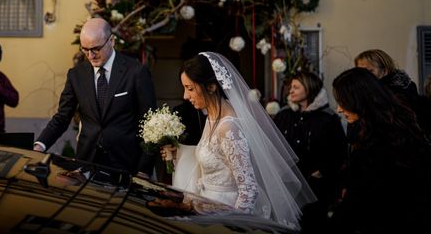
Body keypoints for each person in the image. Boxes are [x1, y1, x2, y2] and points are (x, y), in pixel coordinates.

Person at [162, 52, 315, 228]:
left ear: (211, 87)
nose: (185, 96)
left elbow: (248, 190)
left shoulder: (229, 128)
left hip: (225, 213)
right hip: (206, 208)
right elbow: (215, 158)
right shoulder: (211, 117)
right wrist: (178, 152)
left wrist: (232, 226)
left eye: (190, 88)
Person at [34, 17, 157, 176]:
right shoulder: (76, 75)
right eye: (84, 49)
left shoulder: (136, 72)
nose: (90, 55)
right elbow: (62, 117)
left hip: (126, 164)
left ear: (111, 41)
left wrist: (144, 169)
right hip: (86, 162)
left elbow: (151, 123)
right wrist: (40, 145)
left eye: (96, 49)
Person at [329, 67, 431, 233]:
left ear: (358, 99)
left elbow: (361, 199)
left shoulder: (380, 141)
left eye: (342, 101)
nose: (339, 109)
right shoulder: (393, 124)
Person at [274, 71, 347, 231]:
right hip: (287, 186)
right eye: (290, 87)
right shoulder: (284, 115)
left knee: (312, 226)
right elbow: (273, 145)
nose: (290, 91)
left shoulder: (327, 118)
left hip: (317, 189)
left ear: (309, 89)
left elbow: (339, 150)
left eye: (296, 87)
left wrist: (321, 171)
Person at [354, 48, 431, 134]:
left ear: (384, 71)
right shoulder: (361, 91)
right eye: (360, 71)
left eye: (370, 71)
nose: (364, 76)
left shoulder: (401, 92)